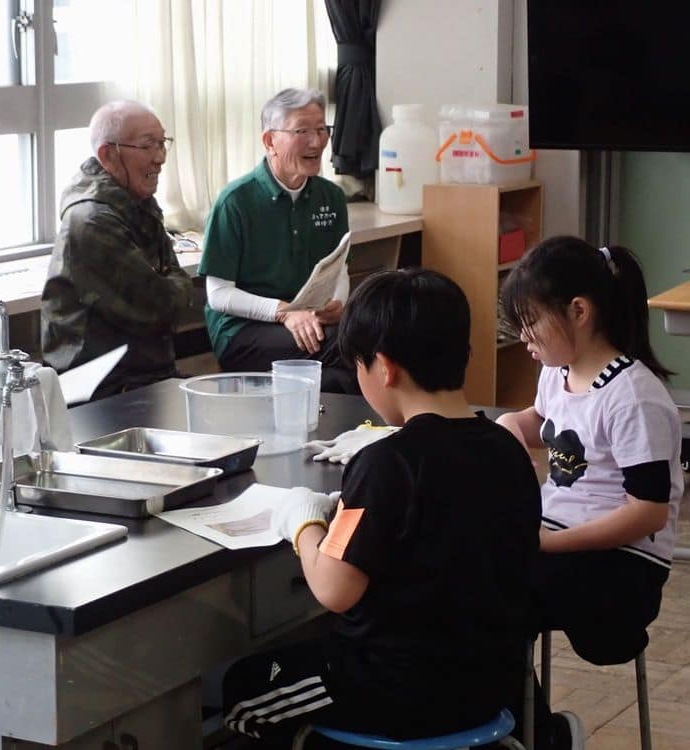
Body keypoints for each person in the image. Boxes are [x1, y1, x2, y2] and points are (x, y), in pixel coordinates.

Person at [222, 269, 544, 748]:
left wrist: (304, 522)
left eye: (358, 365)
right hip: (492, 684)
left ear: (385, 368)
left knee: (243, 688)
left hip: (395, 693)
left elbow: (333, 589)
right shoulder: (508, 450)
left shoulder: (386, 463)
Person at [496, 237, 684, 742]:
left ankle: (539, 737)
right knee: (475, 580)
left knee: (490, 593)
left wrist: (547, 542)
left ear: (578, 311)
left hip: (623, 569)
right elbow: (542, 423)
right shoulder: (557, 373)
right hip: (563, 543)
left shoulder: (633, 397)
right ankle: (527, 731)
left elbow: (648, 513)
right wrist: (511, 425)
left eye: (531, 322)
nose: (523, 337)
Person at [199, 88, 354, 393]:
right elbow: (218, 294)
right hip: (243, 331)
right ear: (270, 141)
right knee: (347, 347)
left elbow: (340, 269)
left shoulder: (331, 196)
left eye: (321, 129)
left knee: (351, 360)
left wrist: (337, 302)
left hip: (310, 320)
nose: (316, 141)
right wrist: (283, 312)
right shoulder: (235, 201)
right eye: (302, 131)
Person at [40, 100, 193, 400]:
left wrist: (174, 285)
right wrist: (176, 286)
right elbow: (160, 307)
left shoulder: (136, 199)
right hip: (104, 389)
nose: (160, 158)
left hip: (145, 374)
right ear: (108, 155)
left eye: (162, 143)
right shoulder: (92, 221)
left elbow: (172, 282)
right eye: (147, 146)